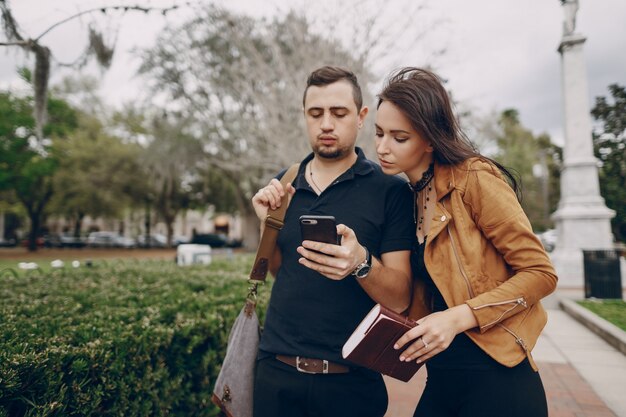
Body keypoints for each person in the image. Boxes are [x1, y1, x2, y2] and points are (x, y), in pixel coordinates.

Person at [371, 67, 558, 417]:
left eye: (399, 138)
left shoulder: (473, 179)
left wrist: (457, 318)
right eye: (379, 133)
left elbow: (541, 273)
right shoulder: (407, 197)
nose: (382, 147)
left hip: (498, 378)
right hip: (442, 376)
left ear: (429, 138)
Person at [250, 66, 414, 417]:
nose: (326, 124)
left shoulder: (391, 190)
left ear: (361, 117)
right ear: (305, 117)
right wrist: (268, 226)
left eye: (339, 113)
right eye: (316, 113)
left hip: (351, 384)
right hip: (275, 376)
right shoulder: (285, 183)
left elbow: (400, 298)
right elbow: (281, 273)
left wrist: (361, 263)